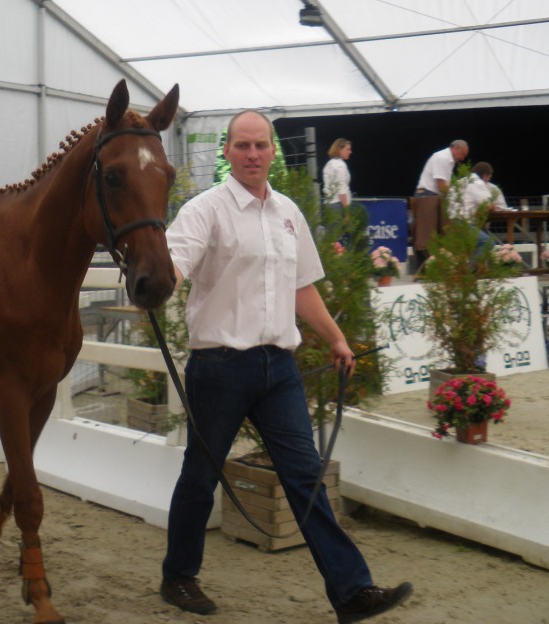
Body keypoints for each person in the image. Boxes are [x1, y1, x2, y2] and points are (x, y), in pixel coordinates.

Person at [159, 109, 412, 623]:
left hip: (279, 368)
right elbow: (173, 265)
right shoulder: (203, 211)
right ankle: (178, 577)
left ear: (274, 151)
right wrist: (157, 276)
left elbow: (301, 287)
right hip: (220, 368)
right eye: (242, 145)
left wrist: (337, 339)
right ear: (227, 152)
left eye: (261, 145)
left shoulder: (289, 213)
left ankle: (351, 593)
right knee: (200, 476)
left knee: (305, 477)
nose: (253, 154)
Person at [412, 140, 468, 266]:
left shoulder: (449, 161)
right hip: (427, 197)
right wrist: (455, 198)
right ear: (456, 148)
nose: (463, 158)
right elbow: (441, 185)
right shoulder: (442, 158)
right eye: (463, 154)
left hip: (434, 197)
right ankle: (424, 267)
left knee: (442, 233)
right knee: (427, 236)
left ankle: (438, 265)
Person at [451, 161, 515, 256]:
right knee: (487, 243)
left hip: (449, 223)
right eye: (489, 177)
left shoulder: (461, 181)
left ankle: (476, 268)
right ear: (485, 175)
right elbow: (488, 205)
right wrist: (493, 206)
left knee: (475, 245)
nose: (489, 181)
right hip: (463, 224)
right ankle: (472, 269)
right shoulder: (477, 183)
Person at [323, 138, 353, 210]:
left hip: (328, 203)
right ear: (339, 150)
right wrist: (346, 211)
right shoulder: (340, 166)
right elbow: (342, 189)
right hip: (338, 205)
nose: (350, 152)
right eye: (347, 149)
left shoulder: (329, 164)